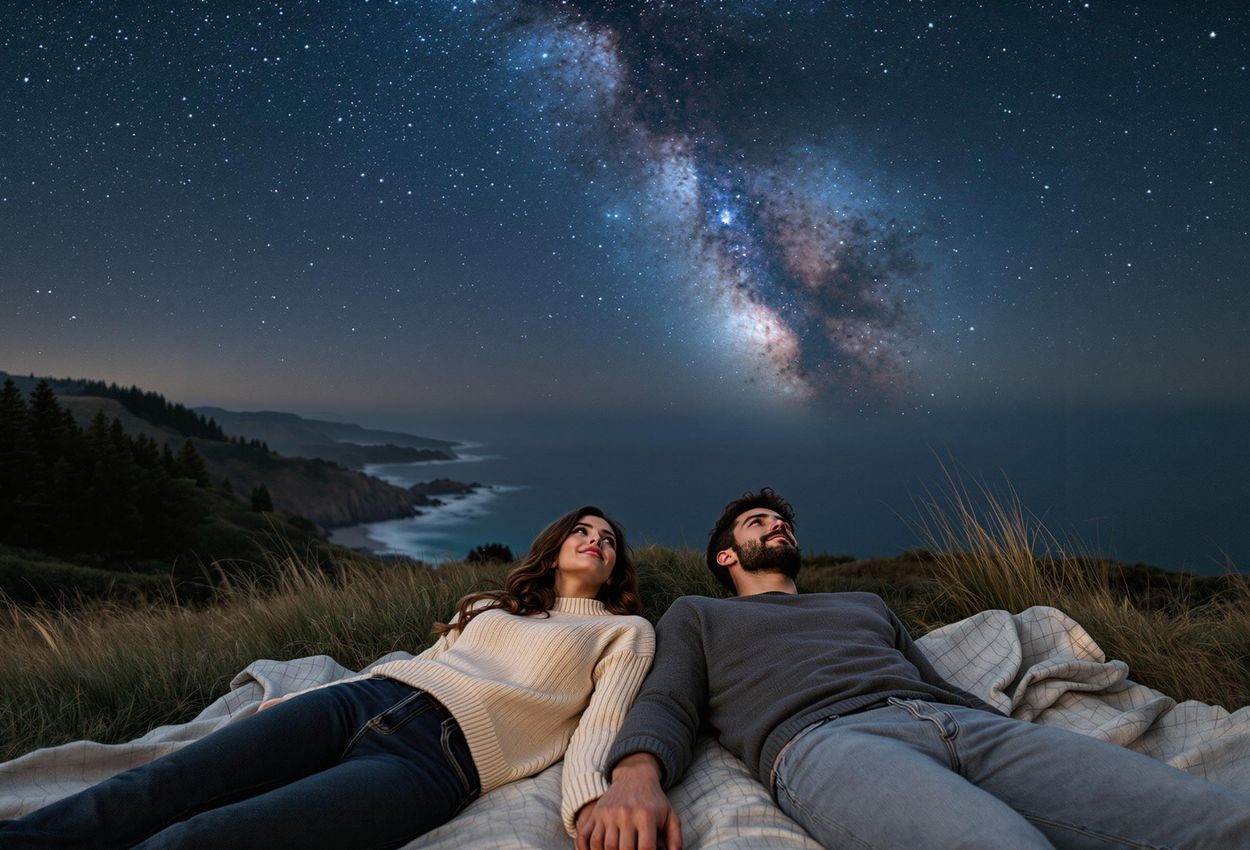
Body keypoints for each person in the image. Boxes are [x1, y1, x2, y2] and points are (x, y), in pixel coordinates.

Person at [579, 488, 1250, 850]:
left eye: (784, 521)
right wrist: (634, 778)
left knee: (1213, 817)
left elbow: (936, 683)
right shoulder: (699, 614)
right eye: (759, 522)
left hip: (964, 727)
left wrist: (1009, 733)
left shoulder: (864, 602)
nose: (779, 527)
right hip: (830, 742)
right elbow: (668, 701)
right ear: (726, 556)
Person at [1, 506, 654, 850]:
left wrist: (587, 804)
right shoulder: (489, 607)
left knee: (201, 837)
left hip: (436, 764)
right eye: (581, 529)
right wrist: (302, 696)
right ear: (556, 543)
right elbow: (419, 666)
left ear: (617, 564)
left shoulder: (624, 632)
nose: (595, 539)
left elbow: (602, 722)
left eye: (608, 538)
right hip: (358, 700)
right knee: (151, 788)